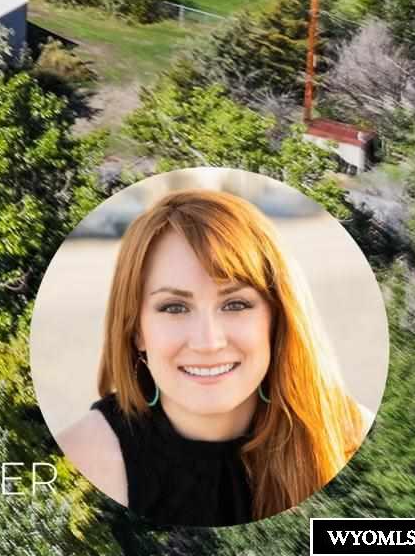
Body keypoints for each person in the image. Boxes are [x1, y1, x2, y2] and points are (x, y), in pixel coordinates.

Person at [54, 188, 371, 526]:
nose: (208, 342)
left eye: (235, 304)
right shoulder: (85, 455)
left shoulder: (348, 434)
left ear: (276, 319)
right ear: (137, 331)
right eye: (174, 308)